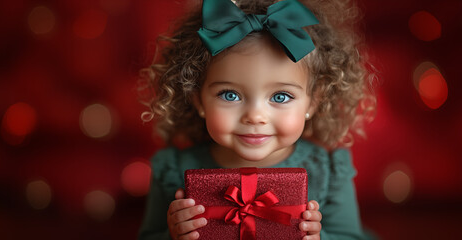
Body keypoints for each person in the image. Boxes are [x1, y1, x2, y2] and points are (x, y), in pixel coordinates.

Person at [138, 0, 376, 239]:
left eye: (280, 96)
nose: (255, 116)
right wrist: (173, 234)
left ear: (313, 101)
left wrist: (319, 237)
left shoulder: (329, 171)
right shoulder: (172, 169)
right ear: (198, 100)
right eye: (230, 95)